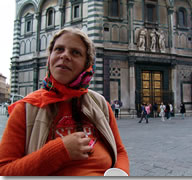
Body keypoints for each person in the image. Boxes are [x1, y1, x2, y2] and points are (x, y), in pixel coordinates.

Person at [0, 28, 129, 176]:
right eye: (59, 49)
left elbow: (120, 151)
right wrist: (60, 151)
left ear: (87, 65)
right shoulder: (27, 108)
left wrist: (120, 173)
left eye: (75, 52)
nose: (65, 55)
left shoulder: (100, 105)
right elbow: (4, 171)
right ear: (50, 57)